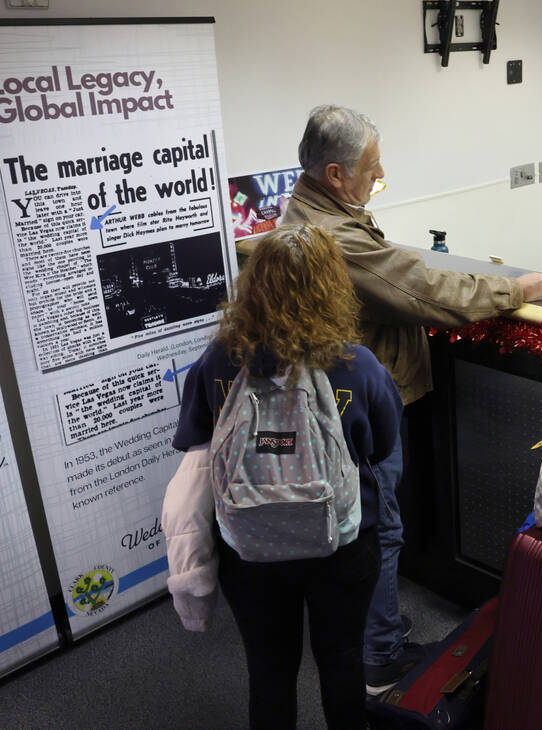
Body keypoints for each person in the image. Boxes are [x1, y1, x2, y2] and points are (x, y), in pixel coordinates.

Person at [278, 104, 542, 693]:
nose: (377, 178)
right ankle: (381, 657)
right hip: (359, 411)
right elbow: (420, 288)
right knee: (381, 528)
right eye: (372, 169)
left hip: (339, 404)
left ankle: (369, 636)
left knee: (367, 525)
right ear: (335, 174)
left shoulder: (308, 210)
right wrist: (517, 288)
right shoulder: (332, 234)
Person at [172, 224, 403, 729]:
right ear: (332, 286)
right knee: (341, 661)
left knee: (270, 671)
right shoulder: (357, 365)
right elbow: (382, 447)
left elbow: (194, 436)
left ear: (253, 284)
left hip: (249, 547)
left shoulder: (219, 360)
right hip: (342, 546)